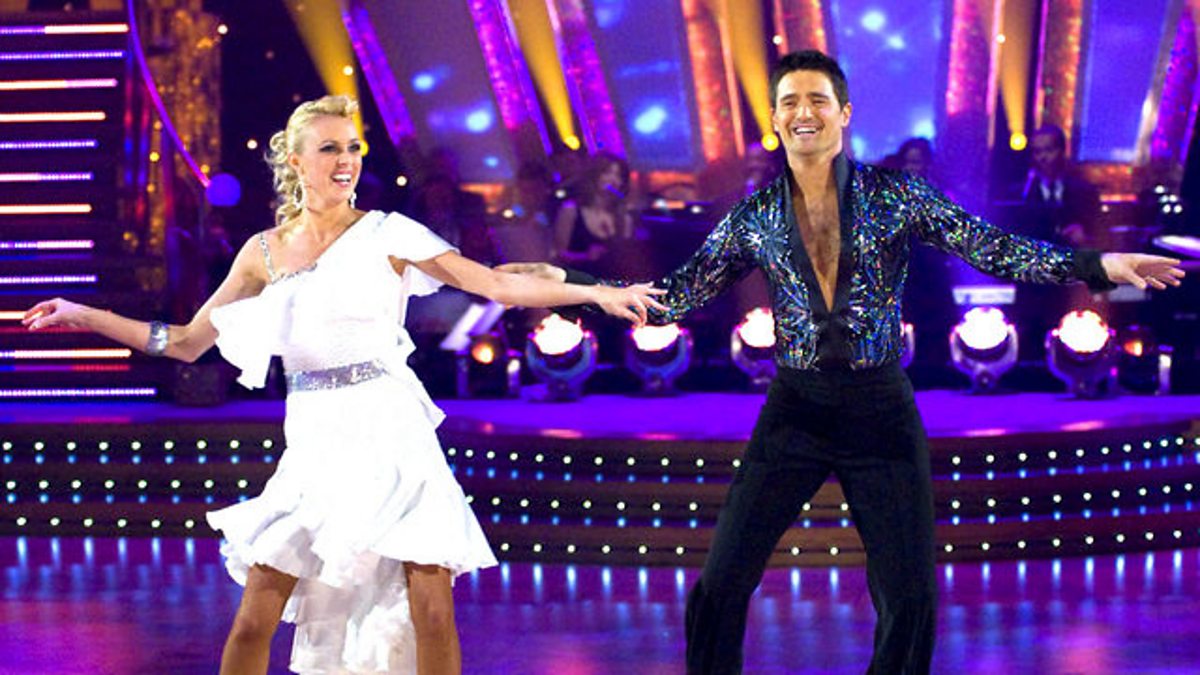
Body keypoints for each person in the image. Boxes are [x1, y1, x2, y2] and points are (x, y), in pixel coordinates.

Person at [518, 51, 1183, 674]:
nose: (803, 112)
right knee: (720, 584)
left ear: (844, 112)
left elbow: (993, 248)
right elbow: (675, 296)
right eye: (790, 102)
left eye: (817, 99)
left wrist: (1100, 264)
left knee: (910, 596)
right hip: (795, 410)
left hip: (879, 410)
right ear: (775, 119)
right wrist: (575, 285)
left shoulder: (896, 196)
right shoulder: (753, 217)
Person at [23, 95, 664, 675]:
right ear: (296, 162)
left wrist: (599, 294)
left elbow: (497, 284)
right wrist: (86, 315)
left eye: (353, 147)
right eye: (329, 147)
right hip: (316, 442)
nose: (346, 160)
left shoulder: (389, 232)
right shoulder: (263, 252)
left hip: (393, 431)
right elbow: (189, 341)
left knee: (430, 608)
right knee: (255, 618)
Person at [553, 151, 636, 274]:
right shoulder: (571, 210)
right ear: (595, 176)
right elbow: (558, 254)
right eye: (607, 173)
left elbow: (627, 259)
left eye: (618, 175)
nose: (613, 180)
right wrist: (585, 256)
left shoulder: (624, 219)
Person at [1020, 124, 1103, 248]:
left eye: (1049, 150)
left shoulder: (1086, 193)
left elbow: (1100, 239)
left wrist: (1085, 239)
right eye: (1037, 152)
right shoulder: (1022, 194)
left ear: (1063, 151)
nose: (1042, 157)